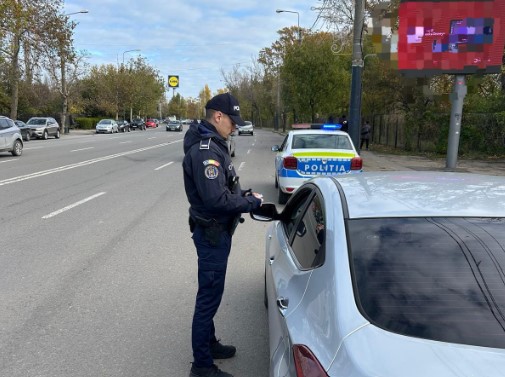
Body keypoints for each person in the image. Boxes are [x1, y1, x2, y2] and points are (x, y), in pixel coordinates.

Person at [182, 92, 263, 377]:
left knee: (211, 293)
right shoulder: (206, 151)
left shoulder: (215, 144)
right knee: (208, 299)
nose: (235, 126)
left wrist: (243, 194)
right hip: (212, 234)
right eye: (232, 121)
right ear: (218, 116)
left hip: (216, 231)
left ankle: (209, 343)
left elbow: (225, 190)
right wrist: (250, 203)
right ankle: (202, 366)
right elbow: (216, 200)